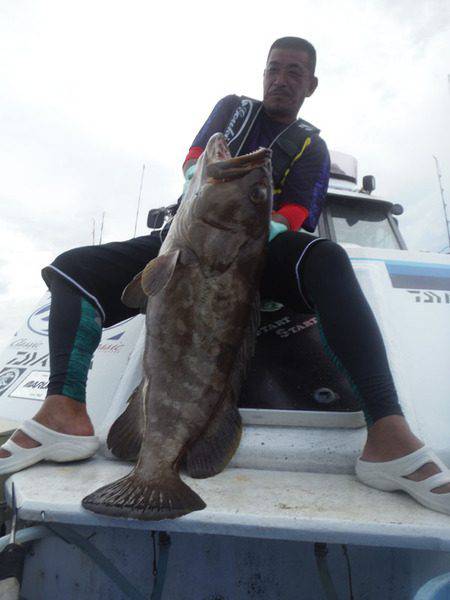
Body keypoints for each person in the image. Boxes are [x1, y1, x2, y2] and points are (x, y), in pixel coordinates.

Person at [1, 37, 449, 514]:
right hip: (186, 239)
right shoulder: (234, 108)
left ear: (311, 84)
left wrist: (238, 235)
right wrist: (211, 210)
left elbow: (296, 214)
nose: (281, 79)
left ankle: (387, 432)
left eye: (295, 72)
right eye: (274, 68)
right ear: (264, 73)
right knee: (72, 269)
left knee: (329, 260)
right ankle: (64, 411)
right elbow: (195, 162)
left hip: (254, 248)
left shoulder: (312, 148)